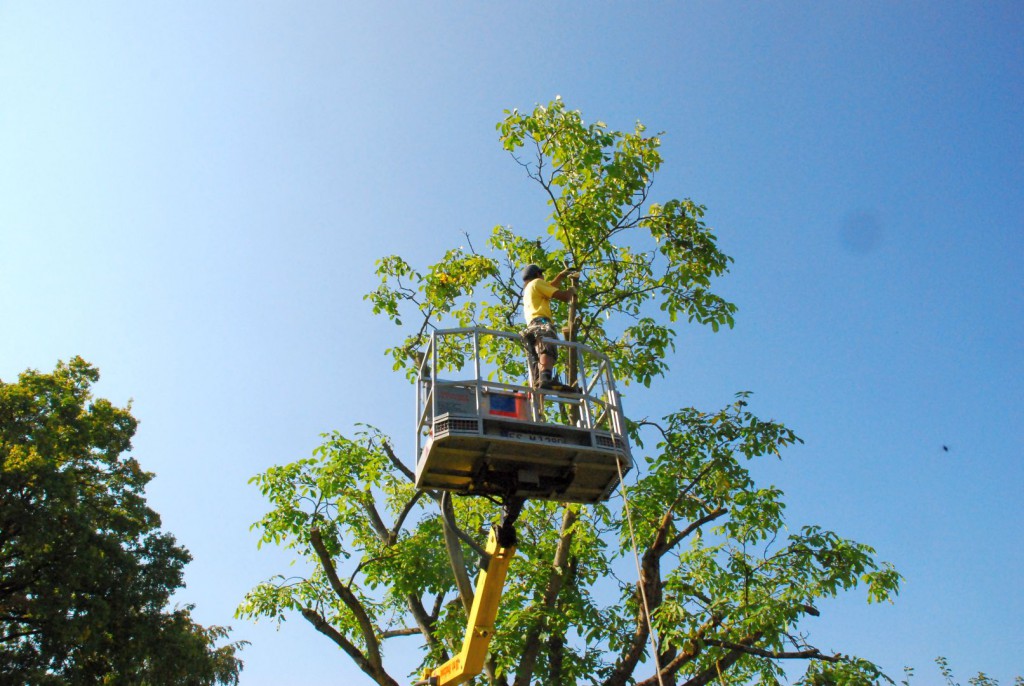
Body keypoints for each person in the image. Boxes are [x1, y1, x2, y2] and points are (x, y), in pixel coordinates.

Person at [521, 264, 577, 390]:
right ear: (537, 274)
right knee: (547, 348)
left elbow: (550, 288)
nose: (543, 277)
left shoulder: (530, 288)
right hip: (541, 323)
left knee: (538, 354)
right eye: (542, 274)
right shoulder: (537, 282)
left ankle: (539, 381)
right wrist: (571, 291)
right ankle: (546, 378)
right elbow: (564, 297)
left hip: (532, 326)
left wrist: (561, 276)